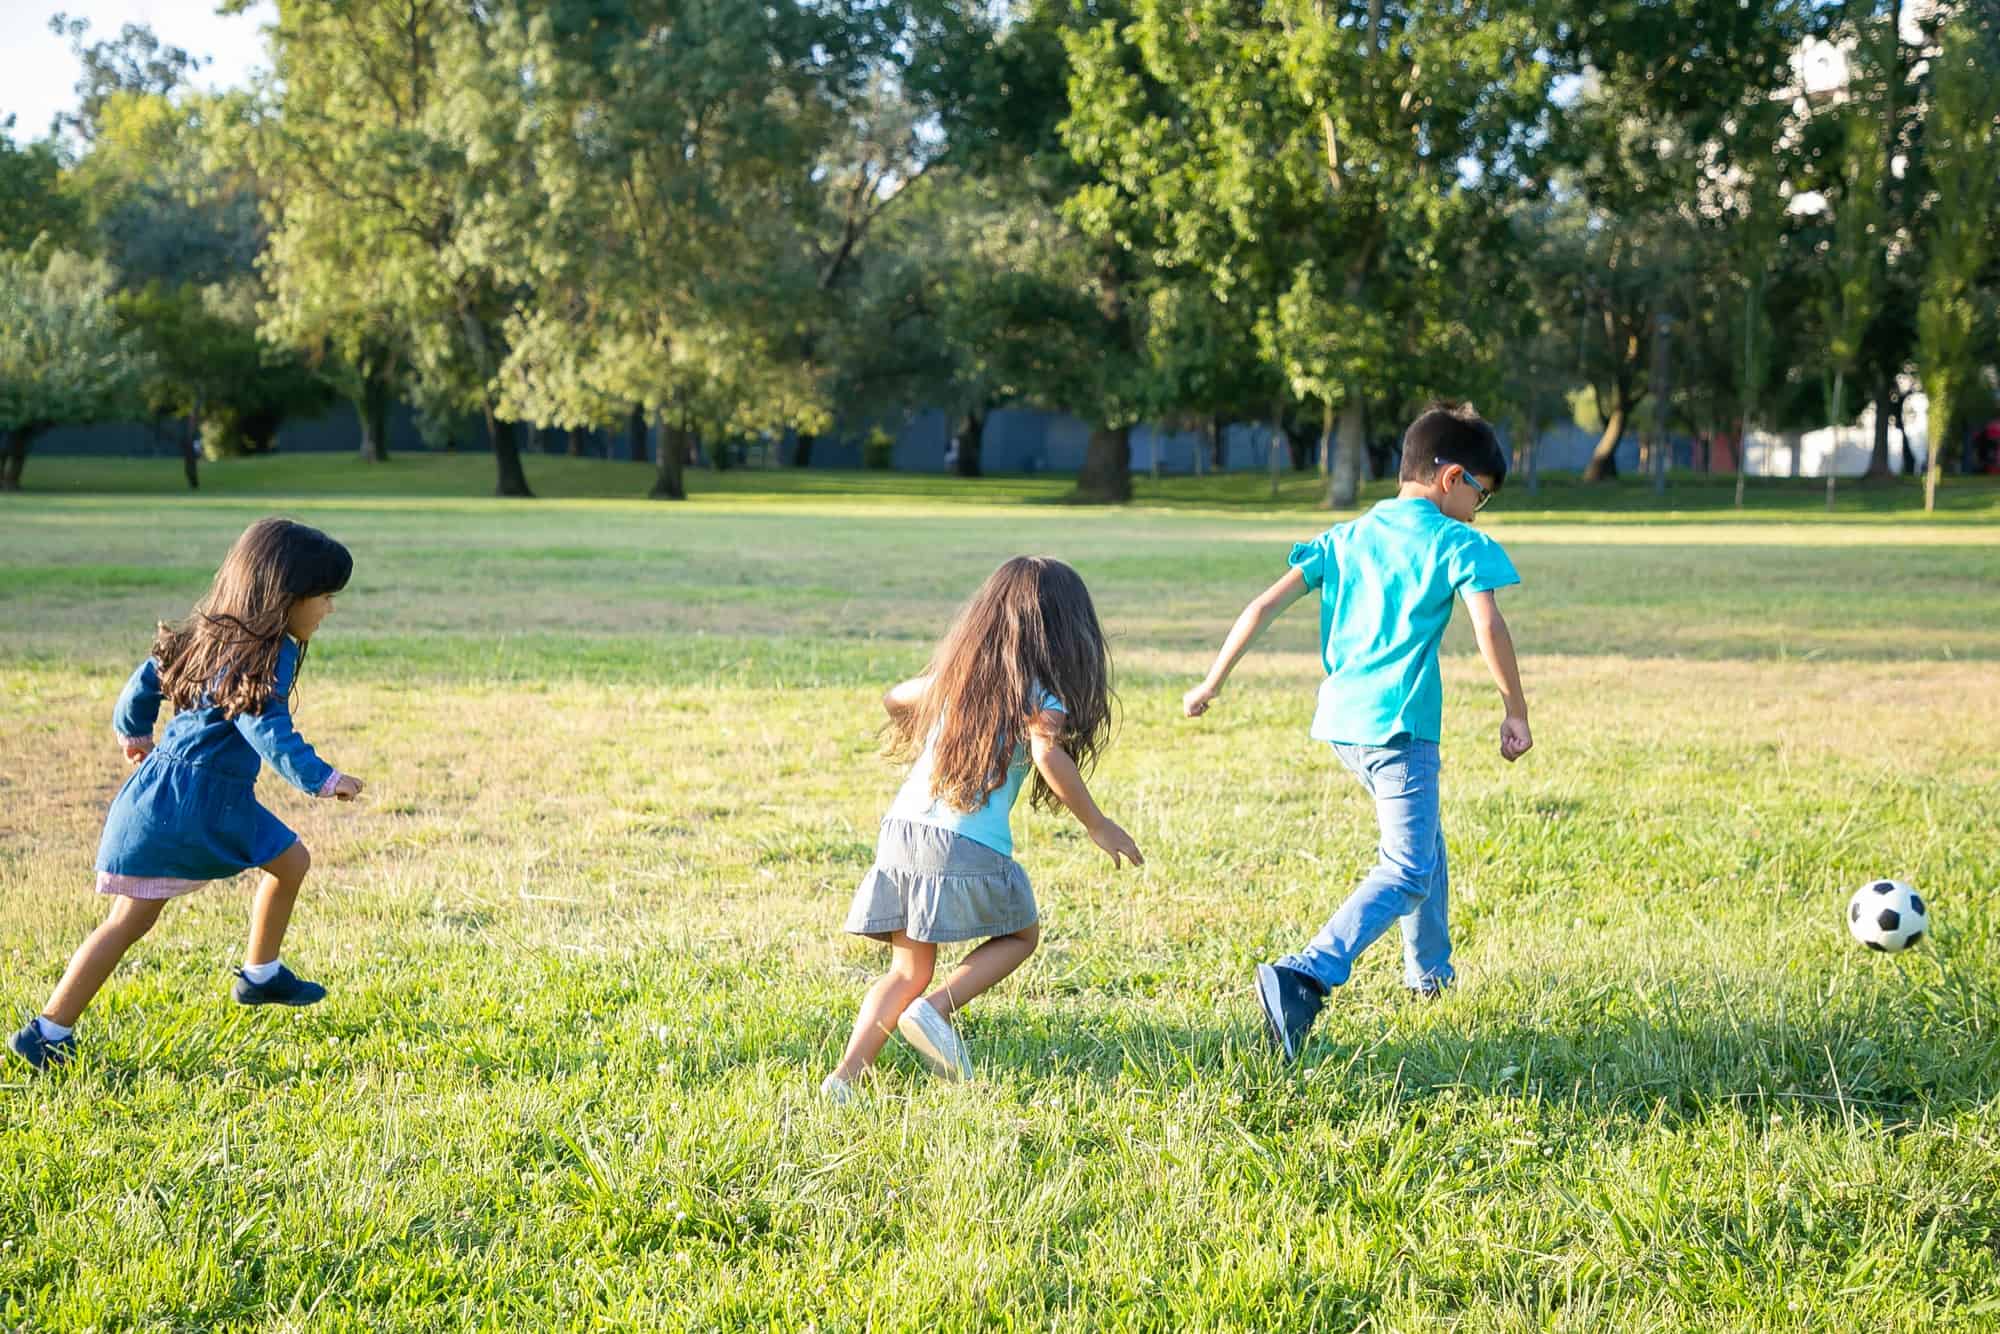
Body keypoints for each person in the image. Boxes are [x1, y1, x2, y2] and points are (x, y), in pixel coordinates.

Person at [1182, 402, 1532, 1061]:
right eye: (1481, 496)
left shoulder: (1343, 537)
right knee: (1406, 867)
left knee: (1424, 842)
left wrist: (1211, 682)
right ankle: (1305, 974)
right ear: (1453, 477)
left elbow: (1261, 606)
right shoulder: (1456, 542)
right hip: (1400, 730)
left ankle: (1430, 976)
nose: (1479, 512)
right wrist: (1514, 708)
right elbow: (1488, 624)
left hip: (1344, 725)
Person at [9, 519, 365, 1071]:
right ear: (286, 596)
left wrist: (133, 731)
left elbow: (144, 678)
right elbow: (262, 725)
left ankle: (256, 976)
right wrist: (320, 777)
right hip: (197, 804)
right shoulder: (264, 653)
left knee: (152, 913)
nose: (330, 610)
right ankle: (51, 1030)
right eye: (324, 596)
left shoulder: (206, 633)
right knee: (144, 915)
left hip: (173, 792)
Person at [824, 557, 1143, 1100]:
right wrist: (1098, 823)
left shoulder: (961, 678)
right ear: (1065, 632)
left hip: (902, 831)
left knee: (906, 969)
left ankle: (844, 1078)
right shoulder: (1038, 694)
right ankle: (934, 1011)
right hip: (961, 839)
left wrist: (923, 723)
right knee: (1022, 935)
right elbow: (1047, 754)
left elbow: (896, 696)